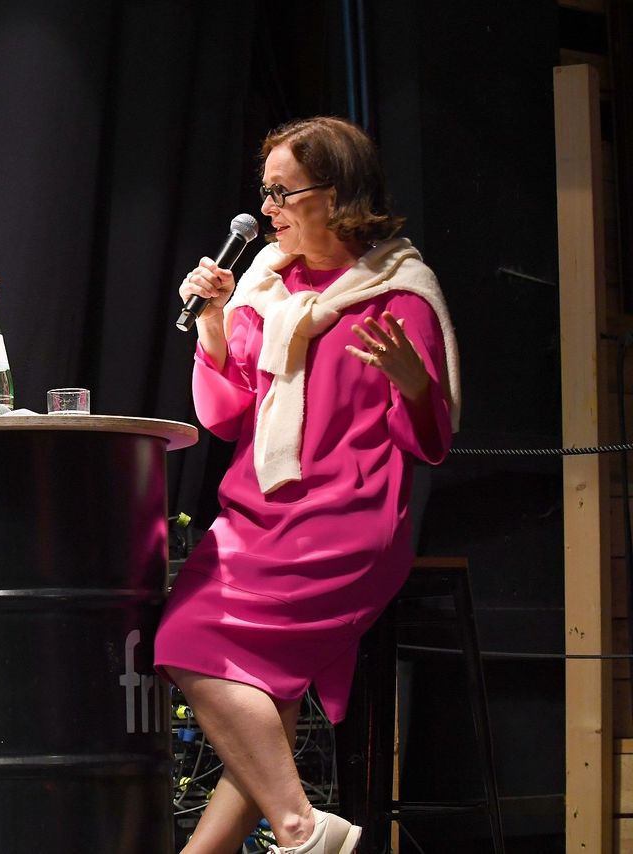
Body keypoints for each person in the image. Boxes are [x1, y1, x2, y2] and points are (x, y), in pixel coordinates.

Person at [155, 116, 461, 854]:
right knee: (258, 698)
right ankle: (278, 837)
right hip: (255, 517)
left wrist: (418, 387)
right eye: (266, 193)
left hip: (346, 522)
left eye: (283, 193)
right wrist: (217, 322)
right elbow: (226, 418)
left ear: (338, 195)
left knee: (186, 644)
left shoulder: (399, 294)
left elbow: (431, 441)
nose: (268, 211)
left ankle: (299, 828)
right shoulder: (263, 282)